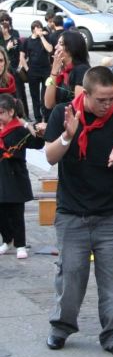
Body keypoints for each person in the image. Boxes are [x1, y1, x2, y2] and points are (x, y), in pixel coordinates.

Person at [43, 66, 113, 355]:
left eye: (111, 98)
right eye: (101, 100)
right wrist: (67, 137)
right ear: (85, 94)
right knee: (71, 273)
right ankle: (61, 326)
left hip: (109, 212)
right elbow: (49, 156)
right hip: (72, 212)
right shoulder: (63, 114)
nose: (108, 105)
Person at [0, 94, 45, 259]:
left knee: (16, 213)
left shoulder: (19, 130)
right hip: (1, 176)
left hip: (15, 177)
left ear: (10, 112)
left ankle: (20, 244)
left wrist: (36, 131)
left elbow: (37, 144)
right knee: (2, 213)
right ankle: (7, 239)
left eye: (1, 113)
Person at [44, 30, 90, 114]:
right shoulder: (60, 70)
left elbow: (78, 107)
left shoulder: (81, 70)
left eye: (61, 44)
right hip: (59, 118)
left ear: (72, 48)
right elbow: (48, 104)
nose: (56, 47)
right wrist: (53, 72)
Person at [19, 20, 53, 122]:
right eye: (38, 28)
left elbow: (50, 49)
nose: (40, 30)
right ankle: (37, 118)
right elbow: (22, 56)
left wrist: (42, 36)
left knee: (45, 94)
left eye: (41, 28)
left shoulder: (45, 38)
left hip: (46, 70)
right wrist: (27, 69)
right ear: (33, 29)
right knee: (34, 96)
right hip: (33, 72)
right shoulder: (27, 41)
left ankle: (46, 116)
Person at [0, 13, 28, 118]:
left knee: (20, 92)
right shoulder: (1, 41)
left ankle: (23, 114)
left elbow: (19, 51)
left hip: (14, 69)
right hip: (5, 70)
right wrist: (7, 48)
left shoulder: (14, 39)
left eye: (5, 26)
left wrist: (20, 65)